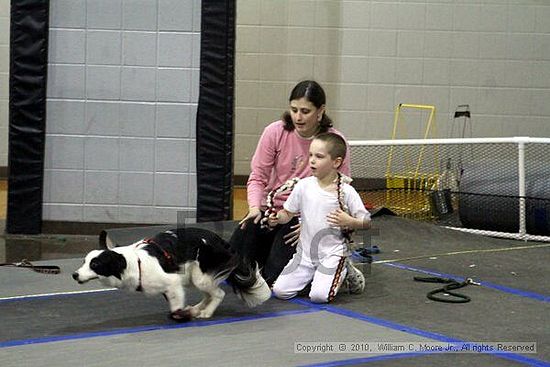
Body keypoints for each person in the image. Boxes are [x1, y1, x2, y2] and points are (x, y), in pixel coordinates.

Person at [229, 80, 351, 286]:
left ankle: (340, 269)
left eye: (305, 111)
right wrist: (253, 208)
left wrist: (309, 223)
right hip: (273, 211)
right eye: (294, 110)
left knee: (273, 279)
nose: (298, 117)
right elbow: (258, 176)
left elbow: (340, 192)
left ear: (320, 111)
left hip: (303, 217)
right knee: (232, 266)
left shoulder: (335, 142)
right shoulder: (275, 132)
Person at [269, 132, 371, 303]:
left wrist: (350, 221)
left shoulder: (346, 191)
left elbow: (366, 222)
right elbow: (287, 214)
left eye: (319, 156)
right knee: (280, 291)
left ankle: (344, 270)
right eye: (310, 155)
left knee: (319, 297)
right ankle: (319, 276)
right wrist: (277, 218)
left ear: (336, 162)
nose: (312, 160)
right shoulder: (303, 186)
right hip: (305, 254)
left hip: (332, 254)